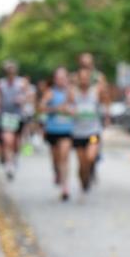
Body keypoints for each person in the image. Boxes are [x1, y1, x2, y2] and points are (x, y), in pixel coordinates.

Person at [41, 67, 74, 201]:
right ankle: (56, 172)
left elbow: (77, 108)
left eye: (64, 77)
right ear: (55, 79)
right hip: (53, 130)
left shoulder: (71, 93)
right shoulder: (50, 93)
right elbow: (41, 108)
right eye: (59, 78)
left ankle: (65, 187)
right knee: (56, 159)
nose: (61, 80)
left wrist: (70, 111)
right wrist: (55, 109)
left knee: (64, 157)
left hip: (67, 130)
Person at [71, 67, 104, 194]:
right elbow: (66, 105)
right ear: (78, 79)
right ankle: (83, 180)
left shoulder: (95, 91)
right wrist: (70, 110)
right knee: (81, 162)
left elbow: (103, 85)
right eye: (82, 78)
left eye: (86, 78)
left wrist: (97, 74)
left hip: (92, 133)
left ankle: (90, 172)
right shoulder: (73, 92)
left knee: (90, 157)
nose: (84, 80)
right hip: (78, 133)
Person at [0, 61, 30, 181]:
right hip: (6, 116)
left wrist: (23, 99)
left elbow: (29, 96)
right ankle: (8, 165)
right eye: (8, 71)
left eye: (12, 71)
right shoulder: (1, 84)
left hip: (18, 116)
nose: (10, 73)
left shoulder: (21, 83)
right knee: (7, 140)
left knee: (16, 142)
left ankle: (14, 157)